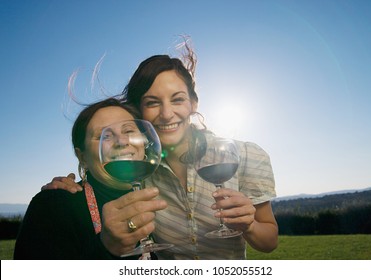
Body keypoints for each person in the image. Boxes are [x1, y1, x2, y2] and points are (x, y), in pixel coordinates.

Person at [43, 40, 278, 259]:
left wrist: (250, 226)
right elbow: (101, 166)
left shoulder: (245, 155)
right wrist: (62, 190)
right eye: (152, 103)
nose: (166, 114)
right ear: (139, 111)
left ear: (193, 104)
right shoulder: (139, 170)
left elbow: (269, 241)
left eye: (177, 100)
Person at [14, 98, 167, 259]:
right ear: (83, 157)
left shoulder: (156, 195)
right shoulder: (51, 206)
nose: (121, 141)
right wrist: (107, 248)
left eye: (129, 131)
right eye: (105, 136)